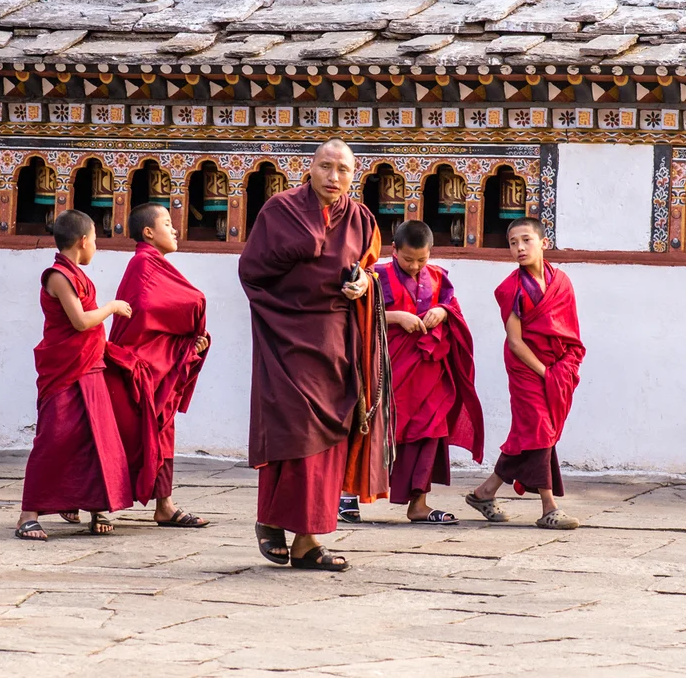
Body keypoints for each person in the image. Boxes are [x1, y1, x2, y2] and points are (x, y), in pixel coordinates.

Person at [239, 138, 388, 572]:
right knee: (294, 433)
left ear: (353, 175)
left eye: (342, 169)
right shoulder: (280, 211)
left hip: (336, 342)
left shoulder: (361, 218)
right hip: (288, 336)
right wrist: (300, 252)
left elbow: (370, 268)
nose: (333, 176)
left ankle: (306, 540)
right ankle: (270, 519)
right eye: (326, 166)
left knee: (327, 444)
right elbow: (252, 271)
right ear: (310, 168)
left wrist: (364, 286)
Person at [15, 210, 134, 540]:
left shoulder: (76, 274)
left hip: (88, 366)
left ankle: (95, 505)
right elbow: (80, 321)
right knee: (54, 439)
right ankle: (28, 513)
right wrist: (112, 307)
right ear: (82, 241)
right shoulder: (58, 276)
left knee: (94, 439)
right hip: (65, 369)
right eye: (95, 239)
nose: (96, 246)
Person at [465, 217, 586, 530]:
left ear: (543, 243)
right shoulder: (510, 289)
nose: (519, 247)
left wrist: (562, 367)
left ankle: (484, 492)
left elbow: (569, 330)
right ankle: (549, 507)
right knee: (540, 429)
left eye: (526, 240)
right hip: (526, 368)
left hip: (555, 366)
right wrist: (545, 373)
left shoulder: (561, 282)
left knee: (528, 435)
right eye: (512, 243)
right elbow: (516, 342)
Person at [104, 203, 211, 528]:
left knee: (162, 431)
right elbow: (150, 309)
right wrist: (193, 313)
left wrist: (187, 345)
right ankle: (84, 501)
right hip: (133, 366)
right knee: (121, 435)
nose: (175, 229)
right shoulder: (143, 263)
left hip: (156, 367)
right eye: (167, 223)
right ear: (148, 232)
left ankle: (164, 505)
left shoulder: (155, 264)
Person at [376, 220, 483, 524]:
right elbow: (357, 316)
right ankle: (347, 496)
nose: (414, 266)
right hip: (393, 370)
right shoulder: (376, 275)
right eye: (408, 259)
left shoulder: (437, 277)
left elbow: (453, 307)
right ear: (393, 250)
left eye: (421, 259)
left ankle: (419, 503)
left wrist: (444, 311)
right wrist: (396, 317)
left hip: (430, 370)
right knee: (381, 431)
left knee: (431, 430)